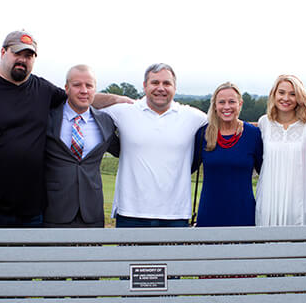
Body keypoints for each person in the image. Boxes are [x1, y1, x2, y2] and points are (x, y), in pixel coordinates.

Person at [0, 30, 125, 228]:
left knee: (26, 260)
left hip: (29, 211)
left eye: (28, 55)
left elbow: (79, 98)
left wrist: (122, 100)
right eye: (17, 53)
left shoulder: (43, 90)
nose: (22, 60)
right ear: (3, 52)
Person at [98, 63, 207, 227]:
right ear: (144, 86)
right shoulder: (124, 111)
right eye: (155, 83)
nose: (161, 88)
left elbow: (223, 124)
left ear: (175, 87)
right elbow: (87, 101)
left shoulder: (193, 117)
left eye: (167, 83)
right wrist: (118, 99)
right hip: (131, 213)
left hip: (175, 215)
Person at [43, 65, 119, 228]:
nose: (84, 90)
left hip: (92, 211)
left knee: (91, 254)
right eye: (77, 85)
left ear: (95, 89)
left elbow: (124, 151)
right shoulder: (47, 118)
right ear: (66, 88)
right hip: (54, 209)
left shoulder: (106, 122)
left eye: (89, 85)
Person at [192, 82, 262, 227]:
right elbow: (187, 169)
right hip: (210, 212)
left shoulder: (253, 134)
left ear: (240, 104)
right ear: (215, 106)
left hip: (243, 212)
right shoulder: (203, 134)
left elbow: (264, 173)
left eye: (232, 102)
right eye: (221, 102)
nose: (226, 107)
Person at [255, 74, 306, 226]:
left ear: (300, 97)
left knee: (302, 246)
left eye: (293, 94)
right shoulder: (264, 122)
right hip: (270, 201)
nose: (286, 98)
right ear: (274, 94)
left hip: (302, 201)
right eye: (282, 92)